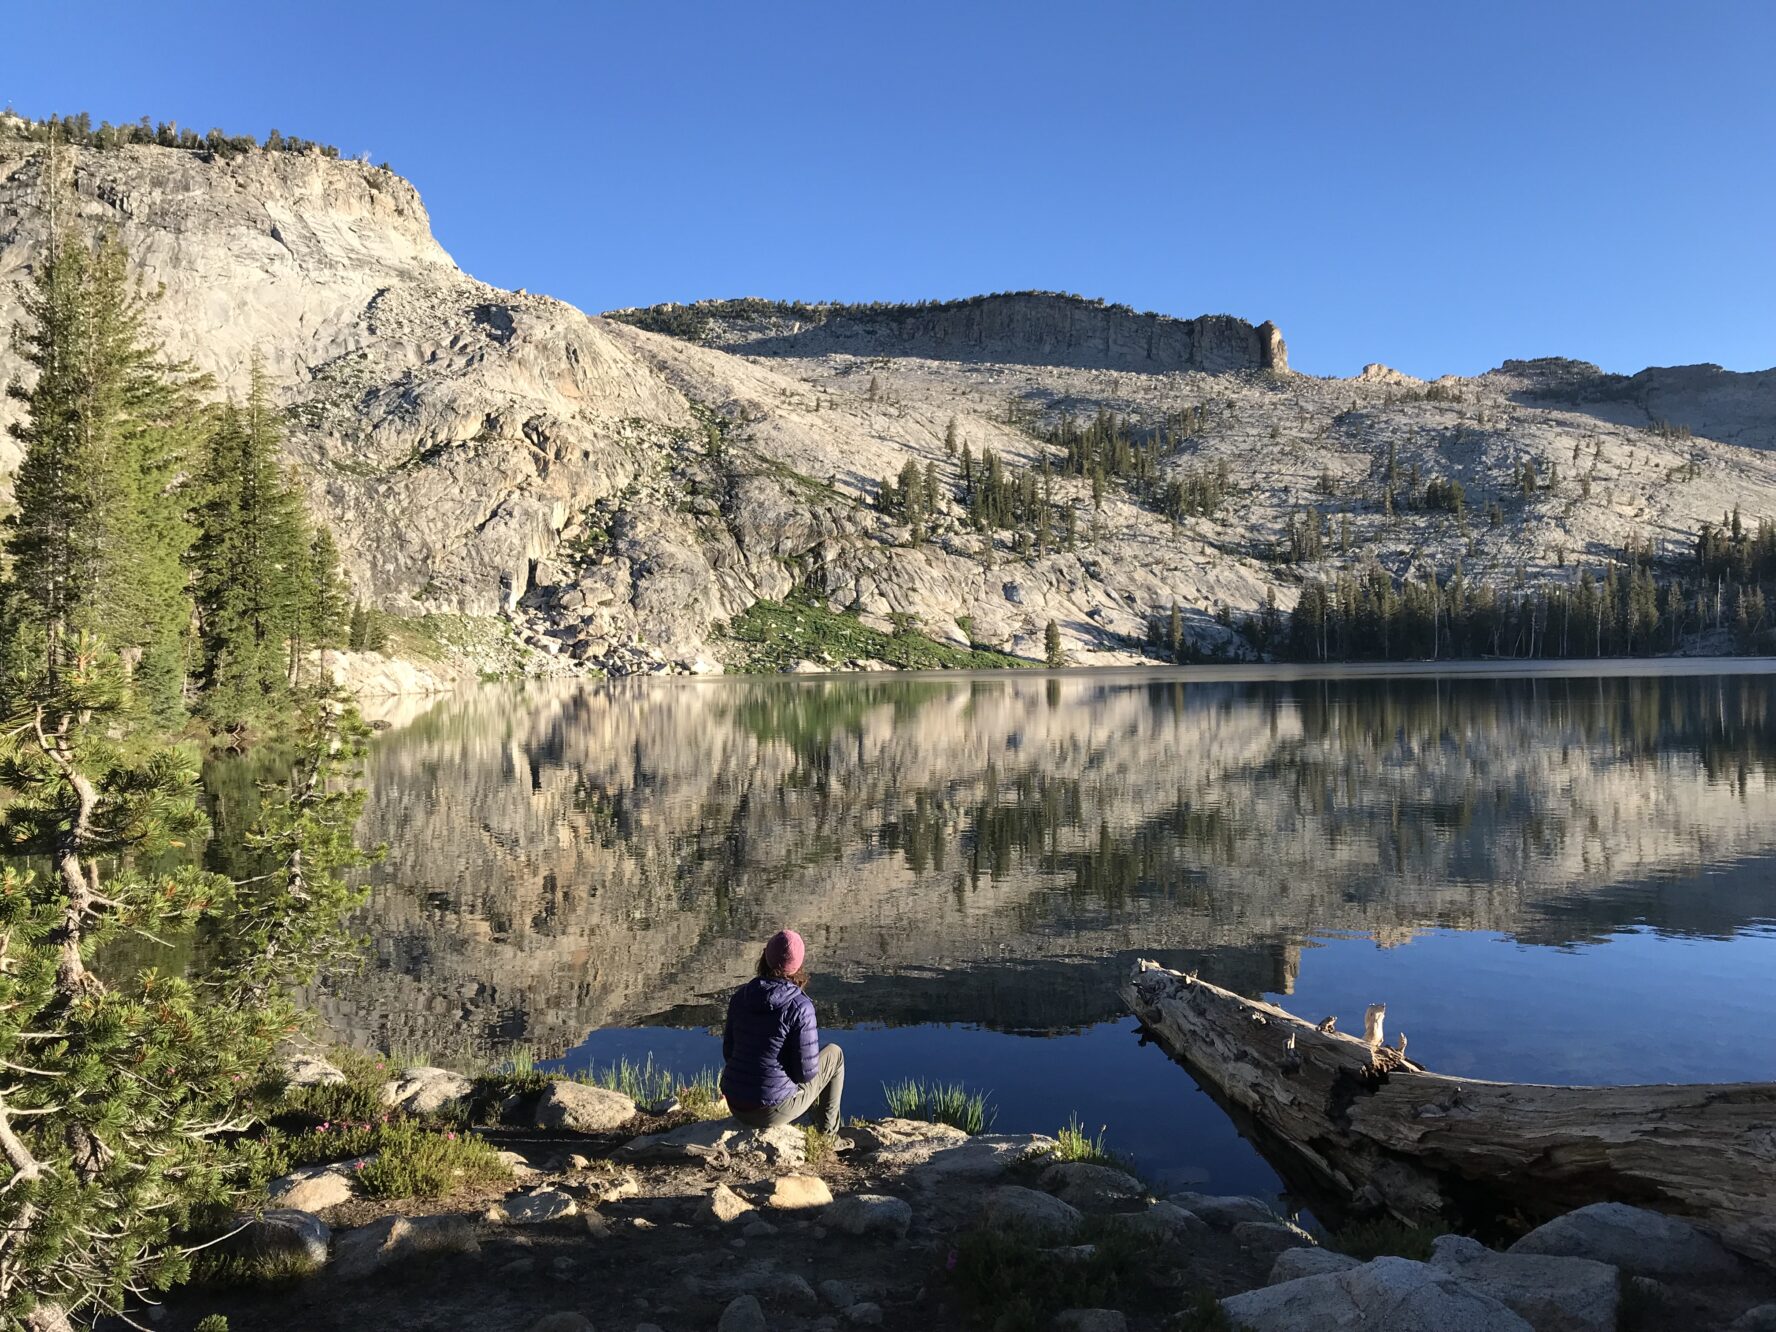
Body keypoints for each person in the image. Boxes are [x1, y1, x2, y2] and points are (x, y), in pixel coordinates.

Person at [720, 928, 846, 1137]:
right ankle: (828, 1136)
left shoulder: (741, 996)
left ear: (765, 957)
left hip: (735, 1103)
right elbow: (805, 1074)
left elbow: (729, 1053)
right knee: (835, 1055)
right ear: (798, 966)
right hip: (769, 1111)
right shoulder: (800, 1006)